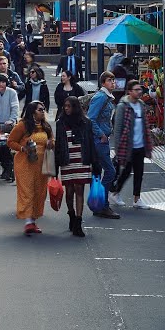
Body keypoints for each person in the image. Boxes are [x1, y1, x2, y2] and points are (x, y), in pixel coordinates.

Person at [53, 96, 100, 237]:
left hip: (81, 159)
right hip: (67, 161)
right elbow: (59, 145)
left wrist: (95, 163)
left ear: (75, 107)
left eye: (69, 106)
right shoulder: (60, 123)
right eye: (65, 106)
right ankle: (71, 214)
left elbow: (90, 143)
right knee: (69, 191)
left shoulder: (86, 122)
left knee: (79, 189)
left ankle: (78, 221)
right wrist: (56, 167)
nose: (66, 108)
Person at [8, 100, 54, 235]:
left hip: (41, 165)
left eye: (43, 109)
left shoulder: (45, 126)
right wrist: (23, 148)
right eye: (40, 109)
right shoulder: (22, 125)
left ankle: (33, 221)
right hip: (25, 164)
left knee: (39, 192)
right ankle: (28, 222)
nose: (42, 111)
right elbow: (10, 141)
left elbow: (52, 139)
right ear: (32, 111)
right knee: (27, 192)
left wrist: (51, 143)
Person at [110, 80, 154, 210]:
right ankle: (115, 193)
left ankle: (137, 198)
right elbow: (117, 129)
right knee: (127, 171)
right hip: (128, 145)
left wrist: (148, 142)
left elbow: (145, 125)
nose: (139, 92)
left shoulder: (141, 105)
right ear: (129, 91)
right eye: (136, 90)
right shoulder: (123, 106)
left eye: (140, 89)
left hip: (140, 144)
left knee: (139, 172)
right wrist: (118, 148)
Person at [87, 72, 121, 220]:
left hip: (102, 140)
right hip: (99, 141)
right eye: (109, 80)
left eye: (114, 80)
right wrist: (101, 134)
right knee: (110, 172)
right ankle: (103, 204)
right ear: (103, 83)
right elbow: (91, 118)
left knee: (99, 172)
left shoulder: (107, 98)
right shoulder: (101, 97)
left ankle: (99, 204)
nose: (113, 83)